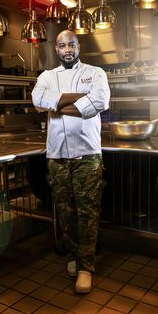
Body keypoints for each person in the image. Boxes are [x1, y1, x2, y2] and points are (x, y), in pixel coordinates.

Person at [32, 30, 110, 294]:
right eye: (62, 45)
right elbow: (37, 100)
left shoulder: (95, 73)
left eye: (72, 45)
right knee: (65, 212)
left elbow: (100, 100)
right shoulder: (47, 76)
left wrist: (57, 103)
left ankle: (86, 266)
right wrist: (79, 98)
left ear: (78, 47)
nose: (67, 49)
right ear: (56, 49)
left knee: (88, 211)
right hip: (57, 155)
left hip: (88, 153)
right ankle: (74, 257)